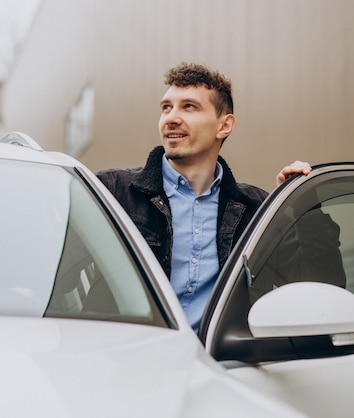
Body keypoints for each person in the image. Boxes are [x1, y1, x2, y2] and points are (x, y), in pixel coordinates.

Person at [96, 62, 312, 331]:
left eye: (189, 107)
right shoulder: (109, 191)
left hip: (218, 365)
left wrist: (297, 202)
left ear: (225, 125)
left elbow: (316, 284)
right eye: (166, 107)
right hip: (132, 359)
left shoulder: (257, 209)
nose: (171, 118)